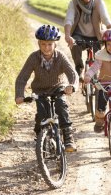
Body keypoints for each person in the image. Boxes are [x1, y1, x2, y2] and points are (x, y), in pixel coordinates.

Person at [15, 24, 78, 152]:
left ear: (55, 44)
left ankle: (68, 137)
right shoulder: (34, 58)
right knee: (41, 116)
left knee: (61, 107)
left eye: (50, 44)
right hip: (40, 90)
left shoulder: (60, 56)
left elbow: (72, 73)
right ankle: (40, 138)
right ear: (39, 44)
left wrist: (72, 86)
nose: (46, 48)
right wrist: (19, 95)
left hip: (57, 88)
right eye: (43, 44)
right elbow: (22, 77)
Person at [64, 0, 111, 81]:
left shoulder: (98, 1)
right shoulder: (74, 3)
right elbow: (69, 19)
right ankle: (79, 68)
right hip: (79, 34)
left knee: (98, 58)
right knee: (75, 45)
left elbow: (105, 18)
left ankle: (98, 77)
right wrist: (68, 35)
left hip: (96, 35)